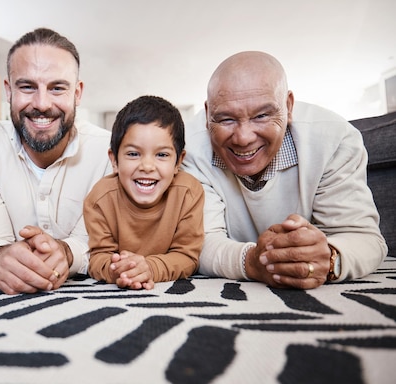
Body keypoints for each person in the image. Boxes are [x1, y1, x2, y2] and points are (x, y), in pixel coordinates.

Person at [182, 51, 388, 290]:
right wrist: (253, 261)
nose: (243, 138)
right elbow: (199, 243)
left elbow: (364, 238)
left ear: (288, 106)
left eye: (261, 115)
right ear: (208, 115)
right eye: (226, 119)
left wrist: (328, 259)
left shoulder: (334, 139)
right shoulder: (188, 148)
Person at [0, 28, 112, 295]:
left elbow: (102, 238)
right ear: (8, 91)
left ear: (77, 93)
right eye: (27, 87)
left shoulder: (107, 151)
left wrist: (68, 253)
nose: (42, 104)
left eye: (57, 88)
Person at [84, 95, 204, 290]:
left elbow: (187, 256)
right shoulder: (100, 198)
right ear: (114, 160)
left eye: (162, 155)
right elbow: (98, 257)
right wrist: (117, 269)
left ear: (178, 162)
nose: (147, 166)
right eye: (133, 154)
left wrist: (150, 268)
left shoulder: (188, 193)